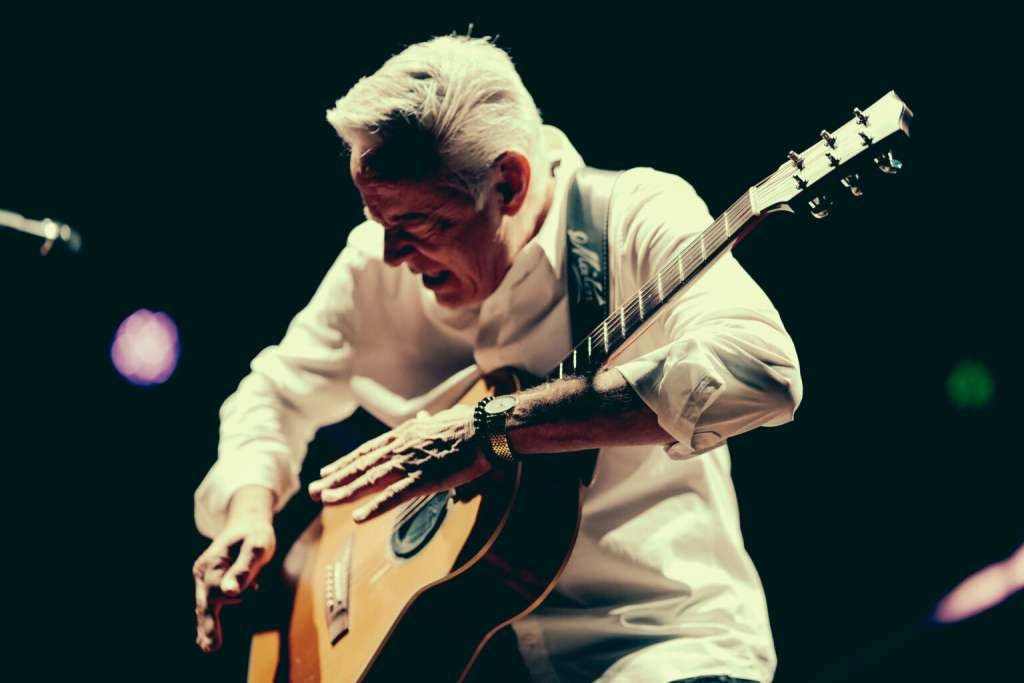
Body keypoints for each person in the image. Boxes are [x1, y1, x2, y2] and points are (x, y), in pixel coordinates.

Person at [192, 34, 802, 683]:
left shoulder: (632, 214)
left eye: (417, 224)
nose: (392, 253)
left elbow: (761, 369)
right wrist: (248, 508)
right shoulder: (375, 263)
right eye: (379, 222)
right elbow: (274, 392)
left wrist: (494, 429)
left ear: (507, 183)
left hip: (659, 644)